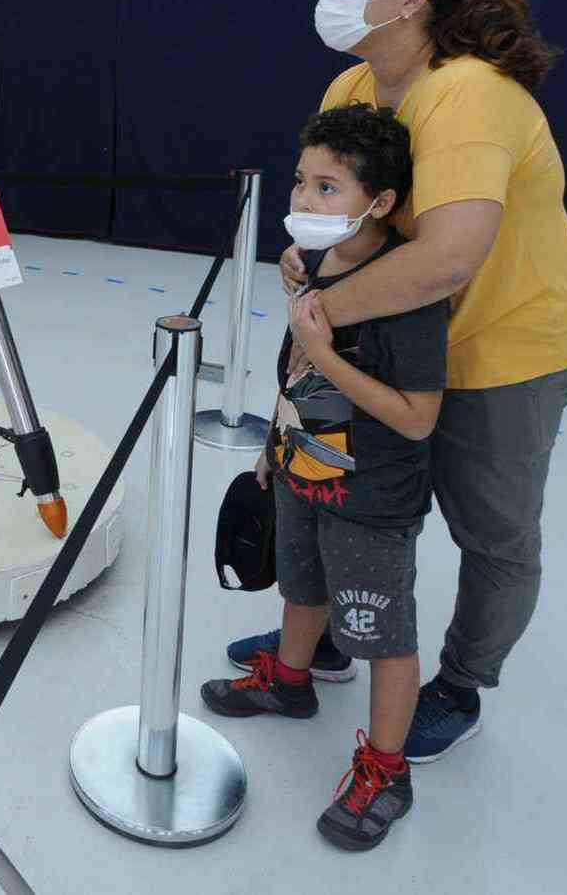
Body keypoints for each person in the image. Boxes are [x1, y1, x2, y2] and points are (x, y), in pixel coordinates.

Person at [224, 0, 567, 762]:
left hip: (504, 345)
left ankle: (460, 682)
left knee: (492, 530)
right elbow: (355, 211)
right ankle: (318, 638)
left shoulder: (470, 93)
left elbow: (448, 257)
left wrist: (320, 316)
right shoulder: (351, 90)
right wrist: (311, 244)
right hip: (384, 338)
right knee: (344, 494)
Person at [199, 102, 447, 852]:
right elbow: (298, 369)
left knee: (380, 630)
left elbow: (416, 417)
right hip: (301, 471)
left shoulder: (406, 294)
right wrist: (274, 445)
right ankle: (289, 678)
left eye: (328, 188)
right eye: (303, 182)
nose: (304, 201)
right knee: (299, 588)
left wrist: (327, 347)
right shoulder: (315, 264)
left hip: (372, 497)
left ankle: (386, 769)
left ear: (380, 203)